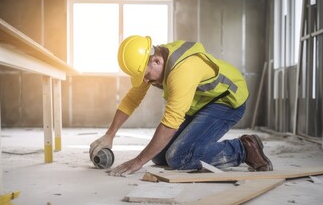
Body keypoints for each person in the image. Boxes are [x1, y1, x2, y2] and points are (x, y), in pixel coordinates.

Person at [89, 35, 273, 176]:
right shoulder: (157, 57)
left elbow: (171, 122)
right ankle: (203, 146)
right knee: (160, 156)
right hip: (203, 103)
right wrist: (109, 135)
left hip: (227, 101)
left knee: (178, 157)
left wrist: (138, 161)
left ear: (156, 61)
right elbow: (131, 100)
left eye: (145, 75)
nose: (145, 81)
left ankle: (244, 148)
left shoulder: (182, 71)